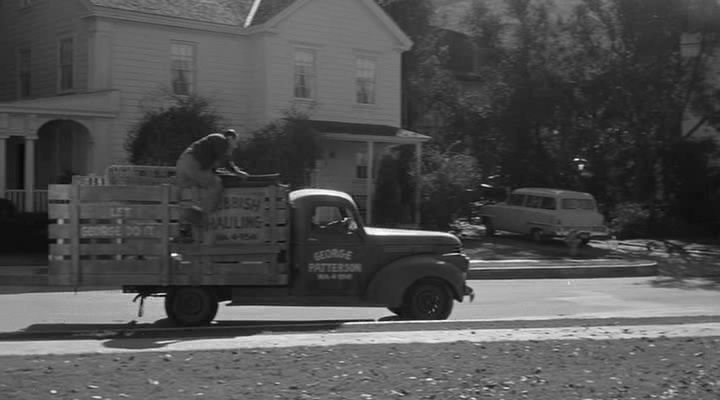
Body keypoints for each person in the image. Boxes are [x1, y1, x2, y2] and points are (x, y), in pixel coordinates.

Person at [175, 129, 249, 218]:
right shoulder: (221, 140)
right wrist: (238, 172)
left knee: (191, 188)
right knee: (215, 185)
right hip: (193, 163)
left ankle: (184, 216)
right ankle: (203, 217)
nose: (235, 146)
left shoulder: (212, 144)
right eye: (235, 142)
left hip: (183, 163)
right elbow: (225, 161)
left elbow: (213, 167)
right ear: (230, 138)